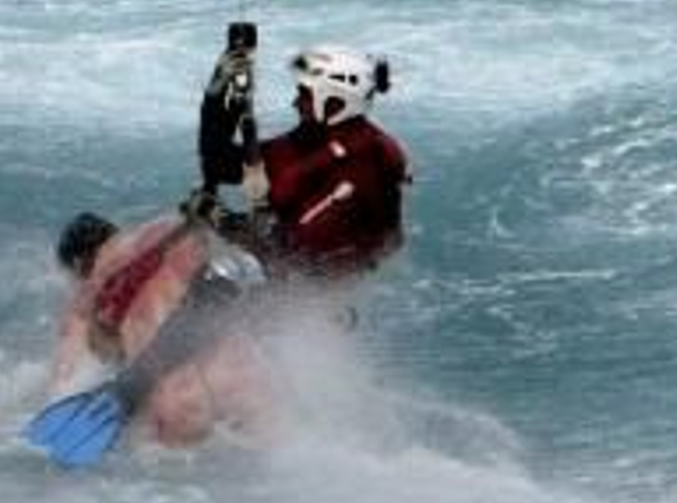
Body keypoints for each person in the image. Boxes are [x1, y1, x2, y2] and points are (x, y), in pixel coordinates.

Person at [46, 207, 274, 448]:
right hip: (245, 373)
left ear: (80, 264)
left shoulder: (91, 295)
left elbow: (66, 382)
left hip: (181, 404)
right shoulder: (166, 232)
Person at [196, 36, 410, 281]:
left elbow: (296, 253)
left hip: (322, 285)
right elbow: (221, 163)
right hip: (285, 261)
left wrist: (224, 222)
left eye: (305, 95)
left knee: (210, 278)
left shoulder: (364, 162)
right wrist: (221, 88)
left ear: (335, 101)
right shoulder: (313, 138)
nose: (295, 103)